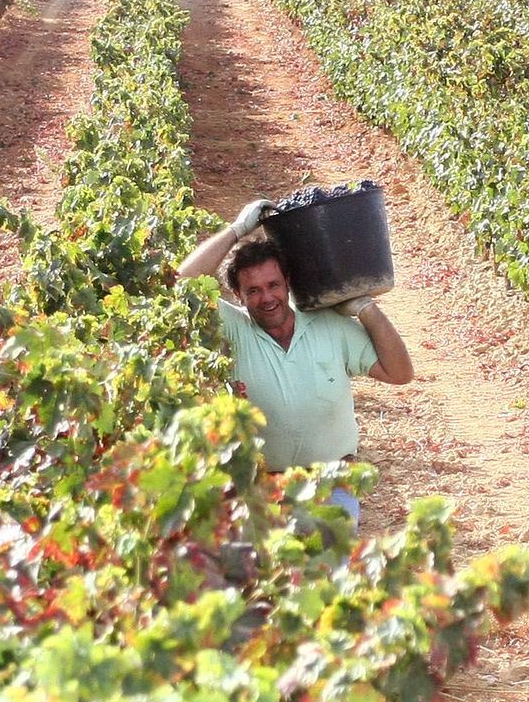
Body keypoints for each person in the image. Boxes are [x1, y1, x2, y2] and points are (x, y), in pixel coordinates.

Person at [176, 198, 414, 522]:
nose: (267, 297)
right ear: (238, 296)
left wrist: (366, 309)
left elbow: (399, 372)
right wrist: (236, 230)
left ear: (288, 283)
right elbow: (181, 285)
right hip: (262, 492)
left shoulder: (330, 325)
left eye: (273, 285)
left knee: (332, 572)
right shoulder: (232, 330)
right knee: (273, 572)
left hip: (333, 484)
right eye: (254, 290)